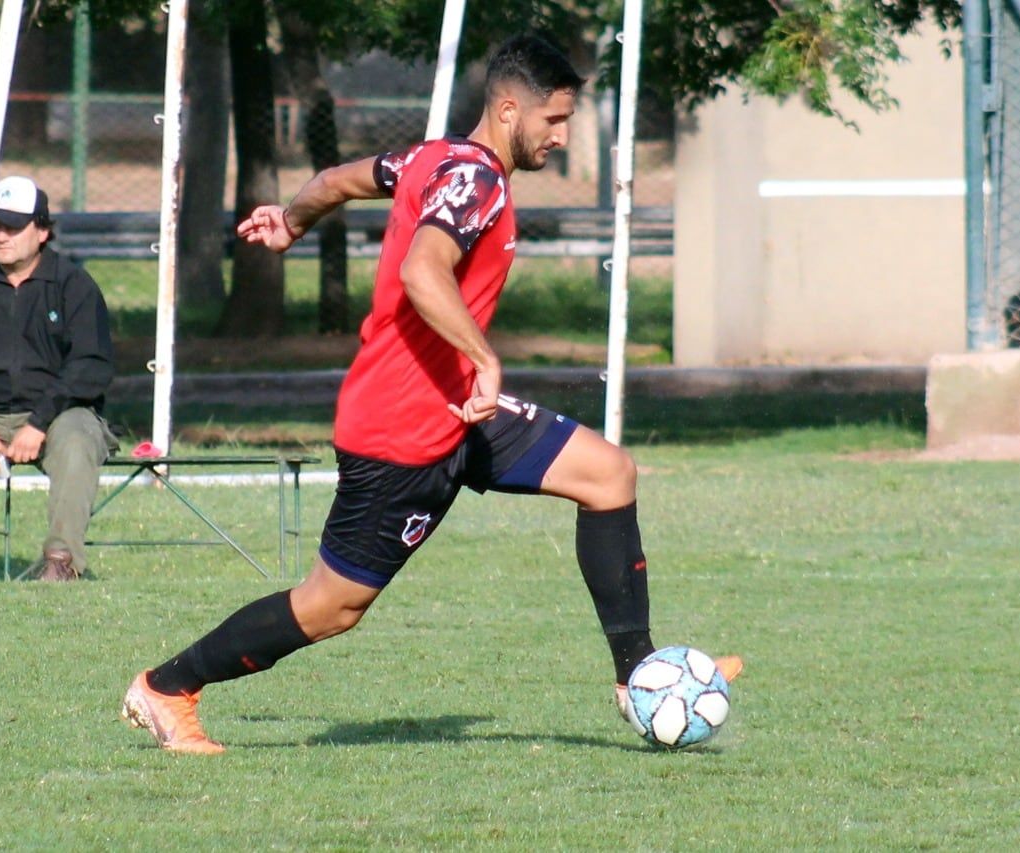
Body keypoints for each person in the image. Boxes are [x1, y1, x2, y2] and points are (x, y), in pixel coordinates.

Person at [121, 33, 740, 754]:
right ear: (510, 110)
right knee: (331, 608)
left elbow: (335, 178)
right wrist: (483, 357)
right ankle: (169, 685)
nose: (563, 137)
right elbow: (423, 270)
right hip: (400, 427)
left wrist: (292, 220)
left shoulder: (430, 158)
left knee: (608, 474)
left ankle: (639, 675)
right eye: (554, 122)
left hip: (456, 410)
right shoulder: (473, 179)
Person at [0, 176, 118, 581]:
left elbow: (90, 366)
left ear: (42, 231)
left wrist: (38, 423)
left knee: (77, 441)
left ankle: (61, 562)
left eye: (13, 226)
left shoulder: (74, 287)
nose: (1, 236)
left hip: (59, 416)